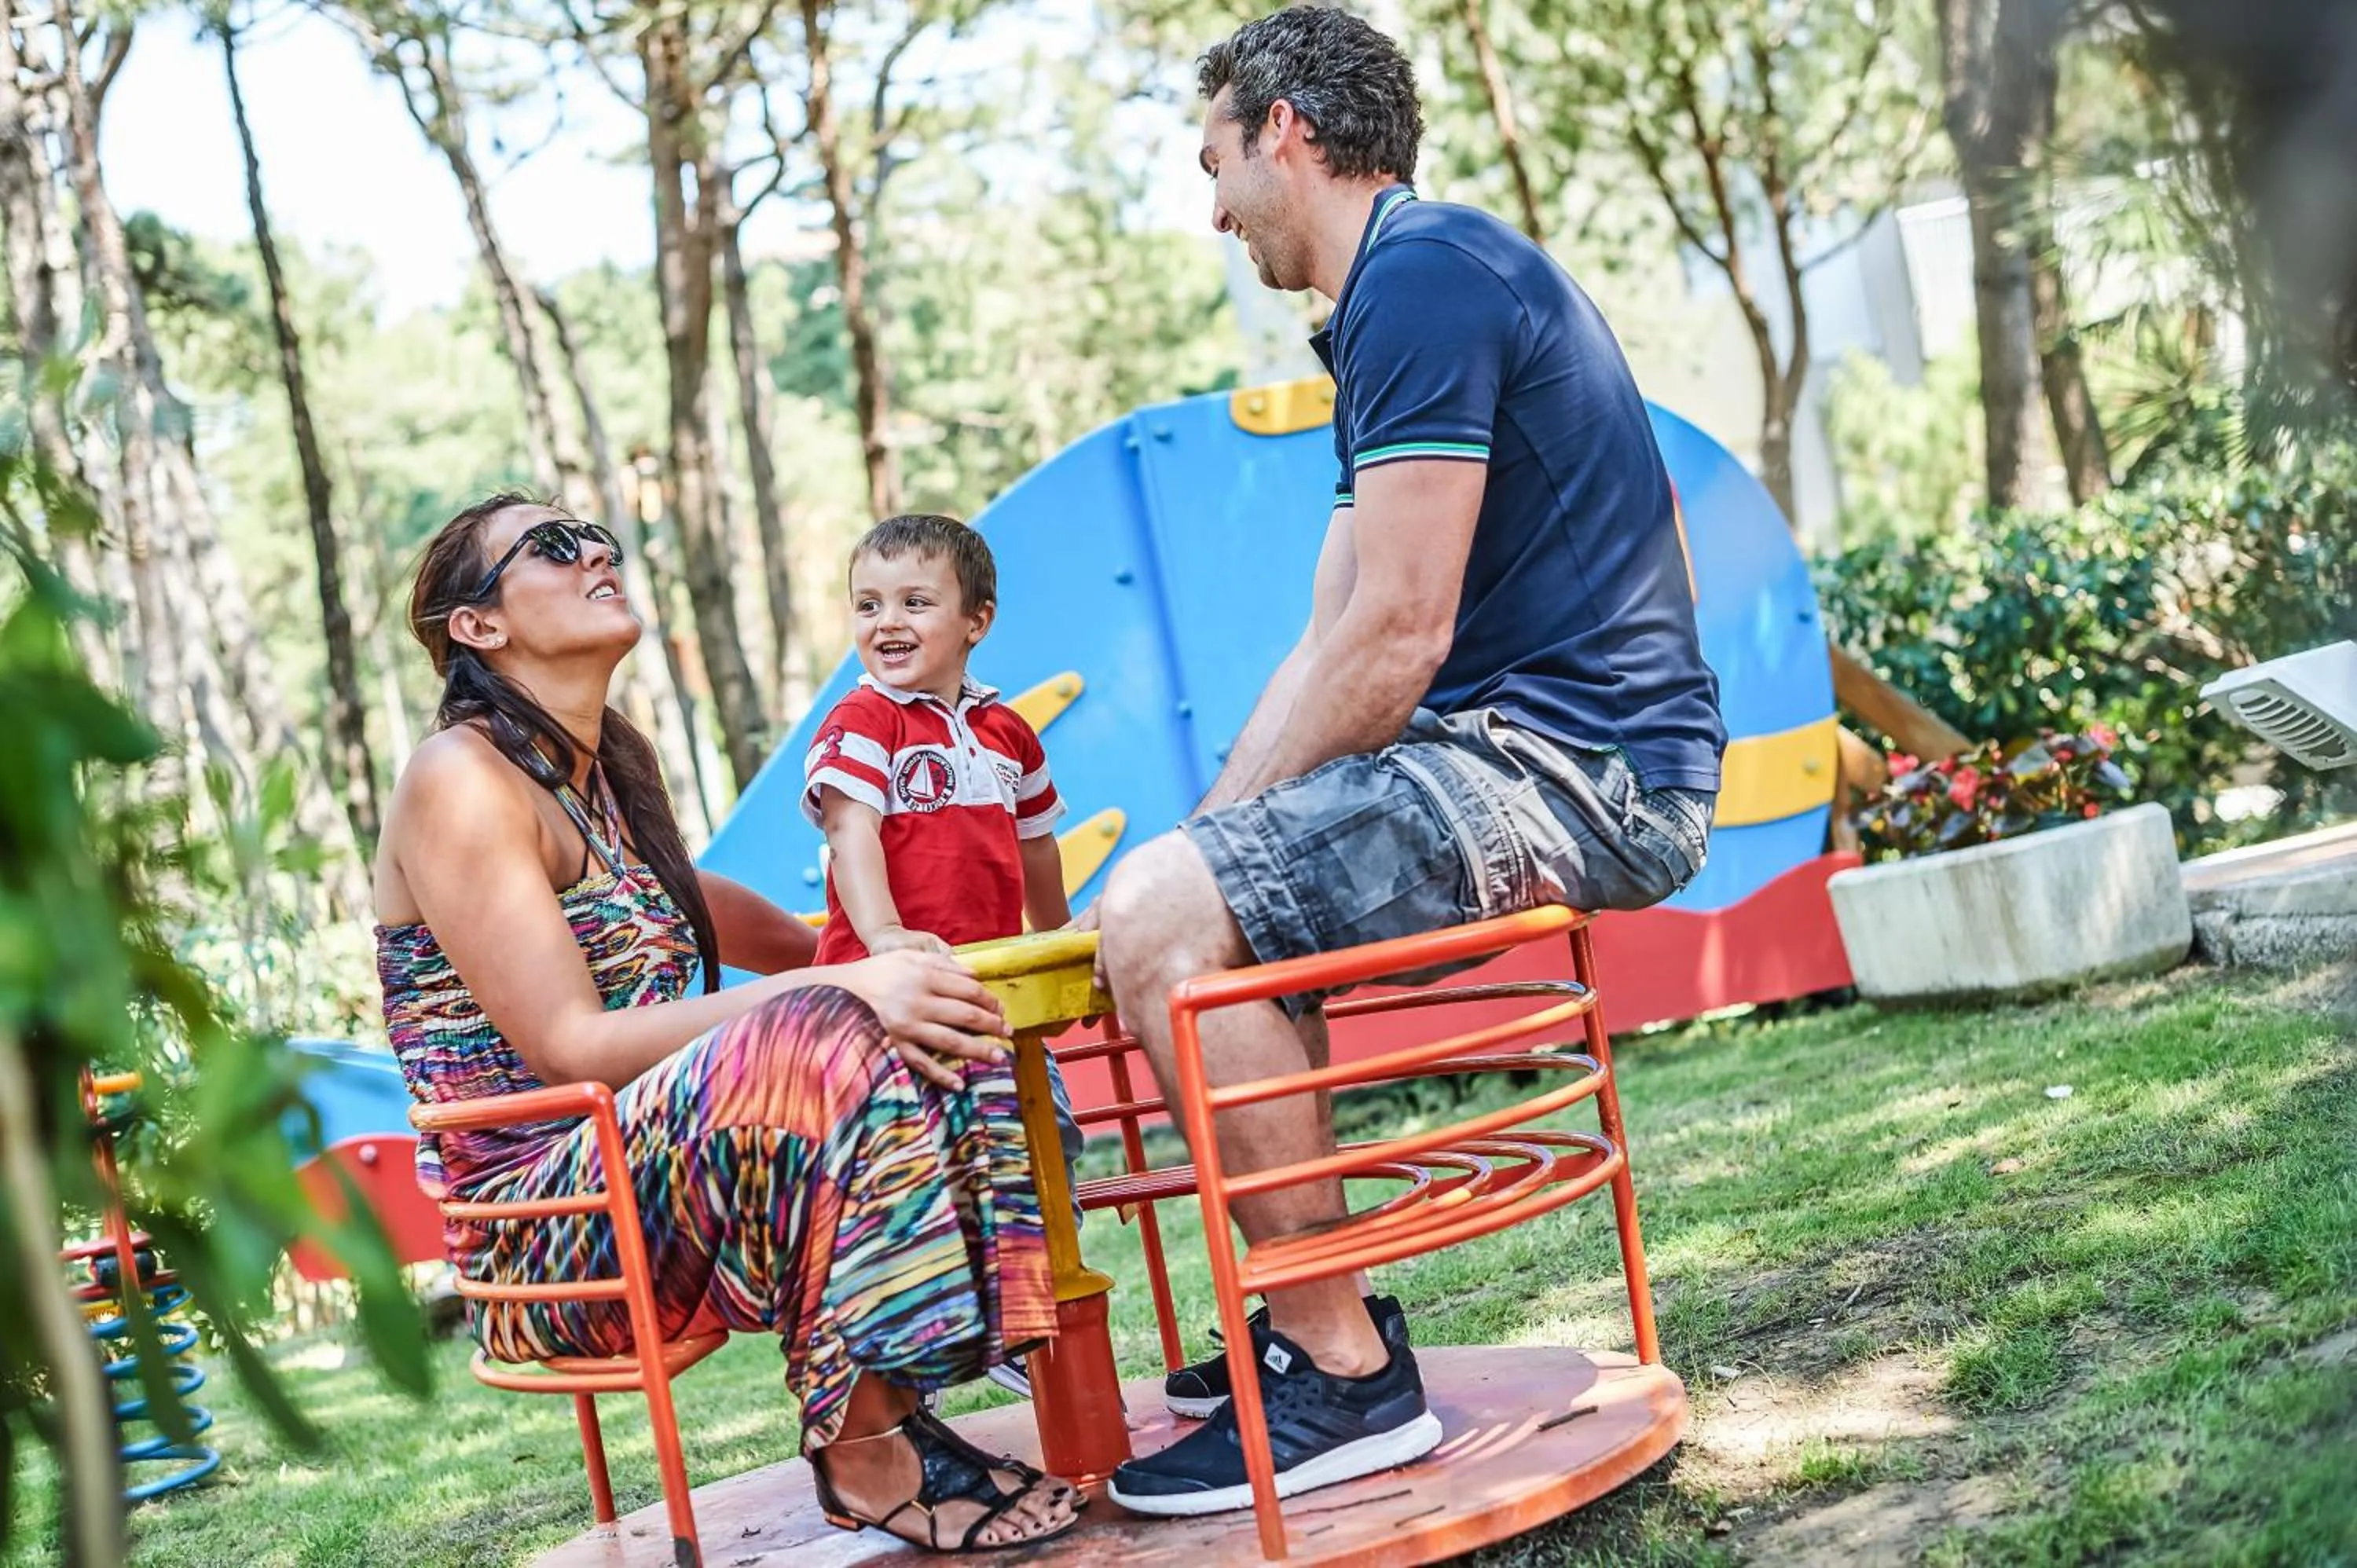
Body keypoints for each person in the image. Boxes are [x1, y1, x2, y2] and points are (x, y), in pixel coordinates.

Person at [1094, 6, 1726, 1516]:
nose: (1214, 206)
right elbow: (1328, 638)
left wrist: (1181, 883)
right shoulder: (1395, 298)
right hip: (1526, 748)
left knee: (1171, 915)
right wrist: (1207, 842)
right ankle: (1327, 1312)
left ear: (1286, 131)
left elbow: (1396, 639)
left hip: (1579, 770)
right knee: (1193, 896)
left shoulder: (1424, 280)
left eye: (1217, 162)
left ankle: (1342, 1378)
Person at [373, 493, 1081, 1552]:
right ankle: (870, 1454)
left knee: (927, 1011)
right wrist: (846, 994)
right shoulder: (459, 781)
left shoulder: (603, 773)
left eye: (598, 536)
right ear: (478, 626)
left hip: (658, 1185)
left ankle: (978, 1350)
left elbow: (743, 924)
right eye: (555, 548)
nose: (598, 553)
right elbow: (573, 1048)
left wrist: (912, 968)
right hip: (554, 1238)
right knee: (828, 1024)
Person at [801, 511, 1087, 1399]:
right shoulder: (864, 719)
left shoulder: (1007, 733)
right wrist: (884, 936)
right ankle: (912, 1347)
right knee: (915, 1164)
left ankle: (1021, 1309)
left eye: (917, 601)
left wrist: (1056, 939)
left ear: (977, 619)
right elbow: (852, 832)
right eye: (868, 603)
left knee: (1047, 1138)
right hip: (892, 995)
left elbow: (1038, 844)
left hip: (991, 984)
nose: (887, 621)